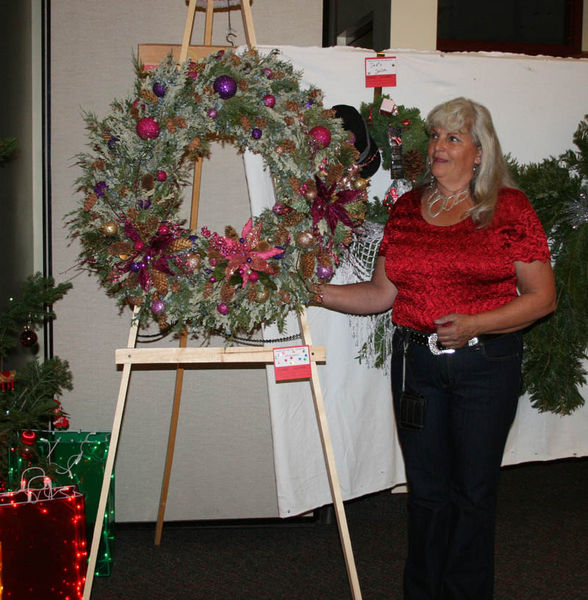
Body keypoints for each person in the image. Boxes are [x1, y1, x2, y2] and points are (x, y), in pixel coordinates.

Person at [313, 97, 556, 600]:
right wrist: (312, 292)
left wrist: (474, 324)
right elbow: (381, 295)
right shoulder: (404, 209)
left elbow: (542, 298)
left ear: (480, 152)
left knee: (472, 495)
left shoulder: (510, 209)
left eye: (453, 138)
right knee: (425, 495)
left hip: (486, 366)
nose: (438, 147)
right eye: (435, 136)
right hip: (416, 367)